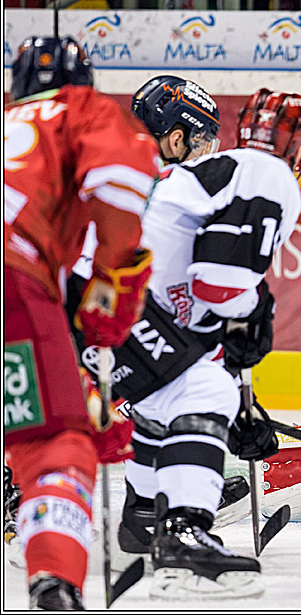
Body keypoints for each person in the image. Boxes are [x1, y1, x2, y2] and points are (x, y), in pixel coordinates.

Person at [67, 86, 301, 599]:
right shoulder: (267, 174)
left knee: (166, 397)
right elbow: (217, 285)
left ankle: (151, 513)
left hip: (81, 296)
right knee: (203, 394)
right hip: (113, 299)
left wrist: (240, 373)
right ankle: (181, 533)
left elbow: (193, 289)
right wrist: (252, 318)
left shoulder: (163, 175)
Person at [3, 35, 158, 610]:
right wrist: (114, 289)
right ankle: (54, 579)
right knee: (55, 443)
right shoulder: (77, 109)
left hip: (26, 279)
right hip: (13, 277)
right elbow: (120, 186)